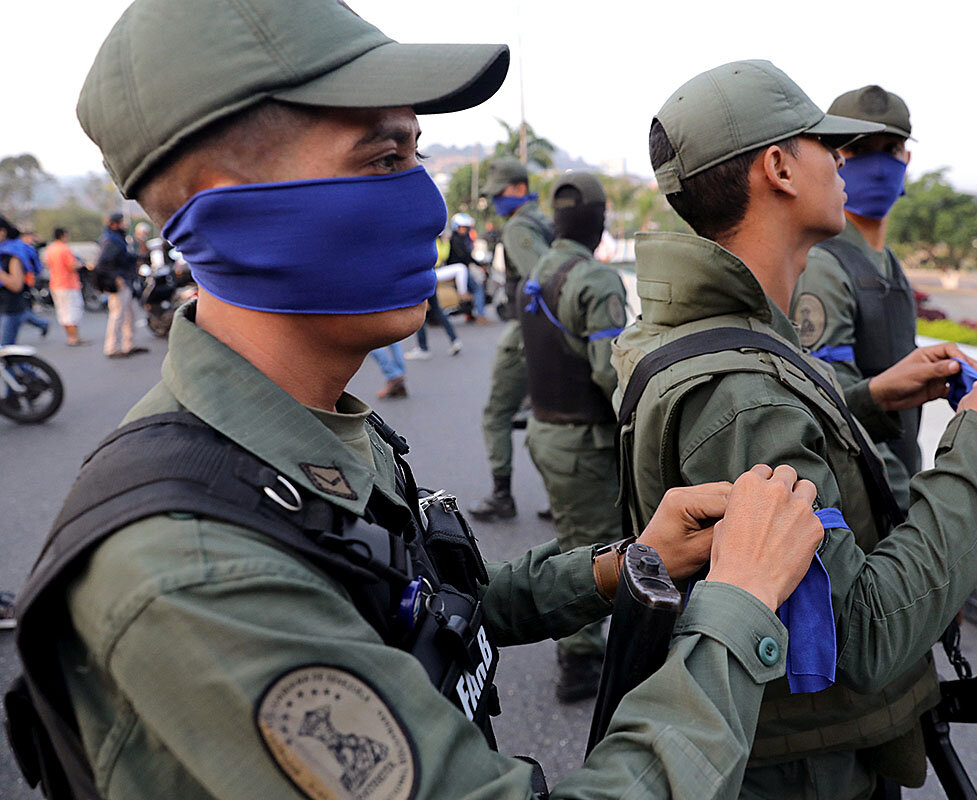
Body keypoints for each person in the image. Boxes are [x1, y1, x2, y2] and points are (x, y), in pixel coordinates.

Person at [5, 3, 838, 798]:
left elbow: (428, 616)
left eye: (416, 155)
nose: (430, 204)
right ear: (231, 208)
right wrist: (737, 610)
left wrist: (624, 566)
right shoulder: (197, 577)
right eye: (384, 159)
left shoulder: (311, 432)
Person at [616, 60, 977, 800]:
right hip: (810, 770)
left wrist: (869, 400)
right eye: (825, 145)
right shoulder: (742, 388)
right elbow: (866, 632)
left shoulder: (734, 340)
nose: (843, 161)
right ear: (779, 167)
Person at [519, 171, 627, 702]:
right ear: (600, 220)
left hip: (544, 431)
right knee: (593, 548)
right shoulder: (596, 280)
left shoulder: (536, 270)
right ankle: (579, 661)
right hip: (584, 441)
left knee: (571, 536)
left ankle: (576, 641)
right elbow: (611, 375)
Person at [789, 85, 919, 508]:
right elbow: (832, 404)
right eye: (860, 150)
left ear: (907, 160)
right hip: (867, 489)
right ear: (833, 160)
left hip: (900, 469)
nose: (879, 165)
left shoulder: (888, 263)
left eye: (891, 148)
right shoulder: (824, 264)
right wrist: (906, 505)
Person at [469, 156, 554, 521]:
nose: (497, 201)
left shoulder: (519, 227)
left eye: (500, 193)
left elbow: (544, 279)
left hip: (527, 333)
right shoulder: (543, 219)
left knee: (497, 414)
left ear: (518, 189)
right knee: (550, 414)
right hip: (550, 335)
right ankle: (563, 497)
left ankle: (502, 496)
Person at [95, 212, 147, 358]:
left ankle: (128, 345)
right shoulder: (110, 241)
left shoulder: (118, 239)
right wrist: (116, 278)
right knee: (117, 315)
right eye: (122, 222)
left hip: (127, 281)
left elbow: (124, 257)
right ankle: (112, 348)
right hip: (120, 283)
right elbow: (103, 264)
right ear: (114, 224)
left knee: (130, 314)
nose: (125, 225)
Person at [44, 227, 89, 346]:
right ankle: (74, 338)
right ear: (63, 235)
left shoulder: (50, 249)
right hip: (68, 284)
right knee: (72, 311)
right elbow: (72, 265)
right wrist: (81, 264)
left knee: (63, 312)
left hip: (55, 284)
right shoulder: (64, 249)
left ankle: (70, 337)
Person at [449, 212, 489, 322]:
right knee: (478, 288)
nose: (464, 230)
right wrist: (480, 265)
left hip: (463, 269)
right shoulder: (456, 240)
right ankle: (481, 316)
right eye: (462, 227)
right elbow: (466, 257)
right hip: (458, 270)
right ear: (456, 227)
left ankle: (469, 314)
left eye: (466, 227)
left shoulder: (464, 239)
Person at [0, 218, 30, 346]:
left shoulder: (11, 255)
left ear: (2, 232)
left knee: (6, 352)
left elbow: (16, 285)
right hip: (4, 308)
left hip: (10, 309)